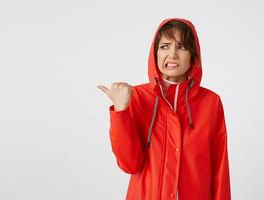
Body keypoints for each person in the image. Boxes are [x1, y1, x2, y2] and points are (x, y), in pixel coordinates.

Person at [97, 18, 231, 200]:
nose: (173, 54)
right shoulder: (136, 96)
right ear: (155, 53)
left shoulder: (210, 102)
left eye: (182, 47)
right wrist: (121, 111)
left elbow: (220, 167)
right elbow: (130, 164)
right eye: (165, 46)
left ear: (193, 55)